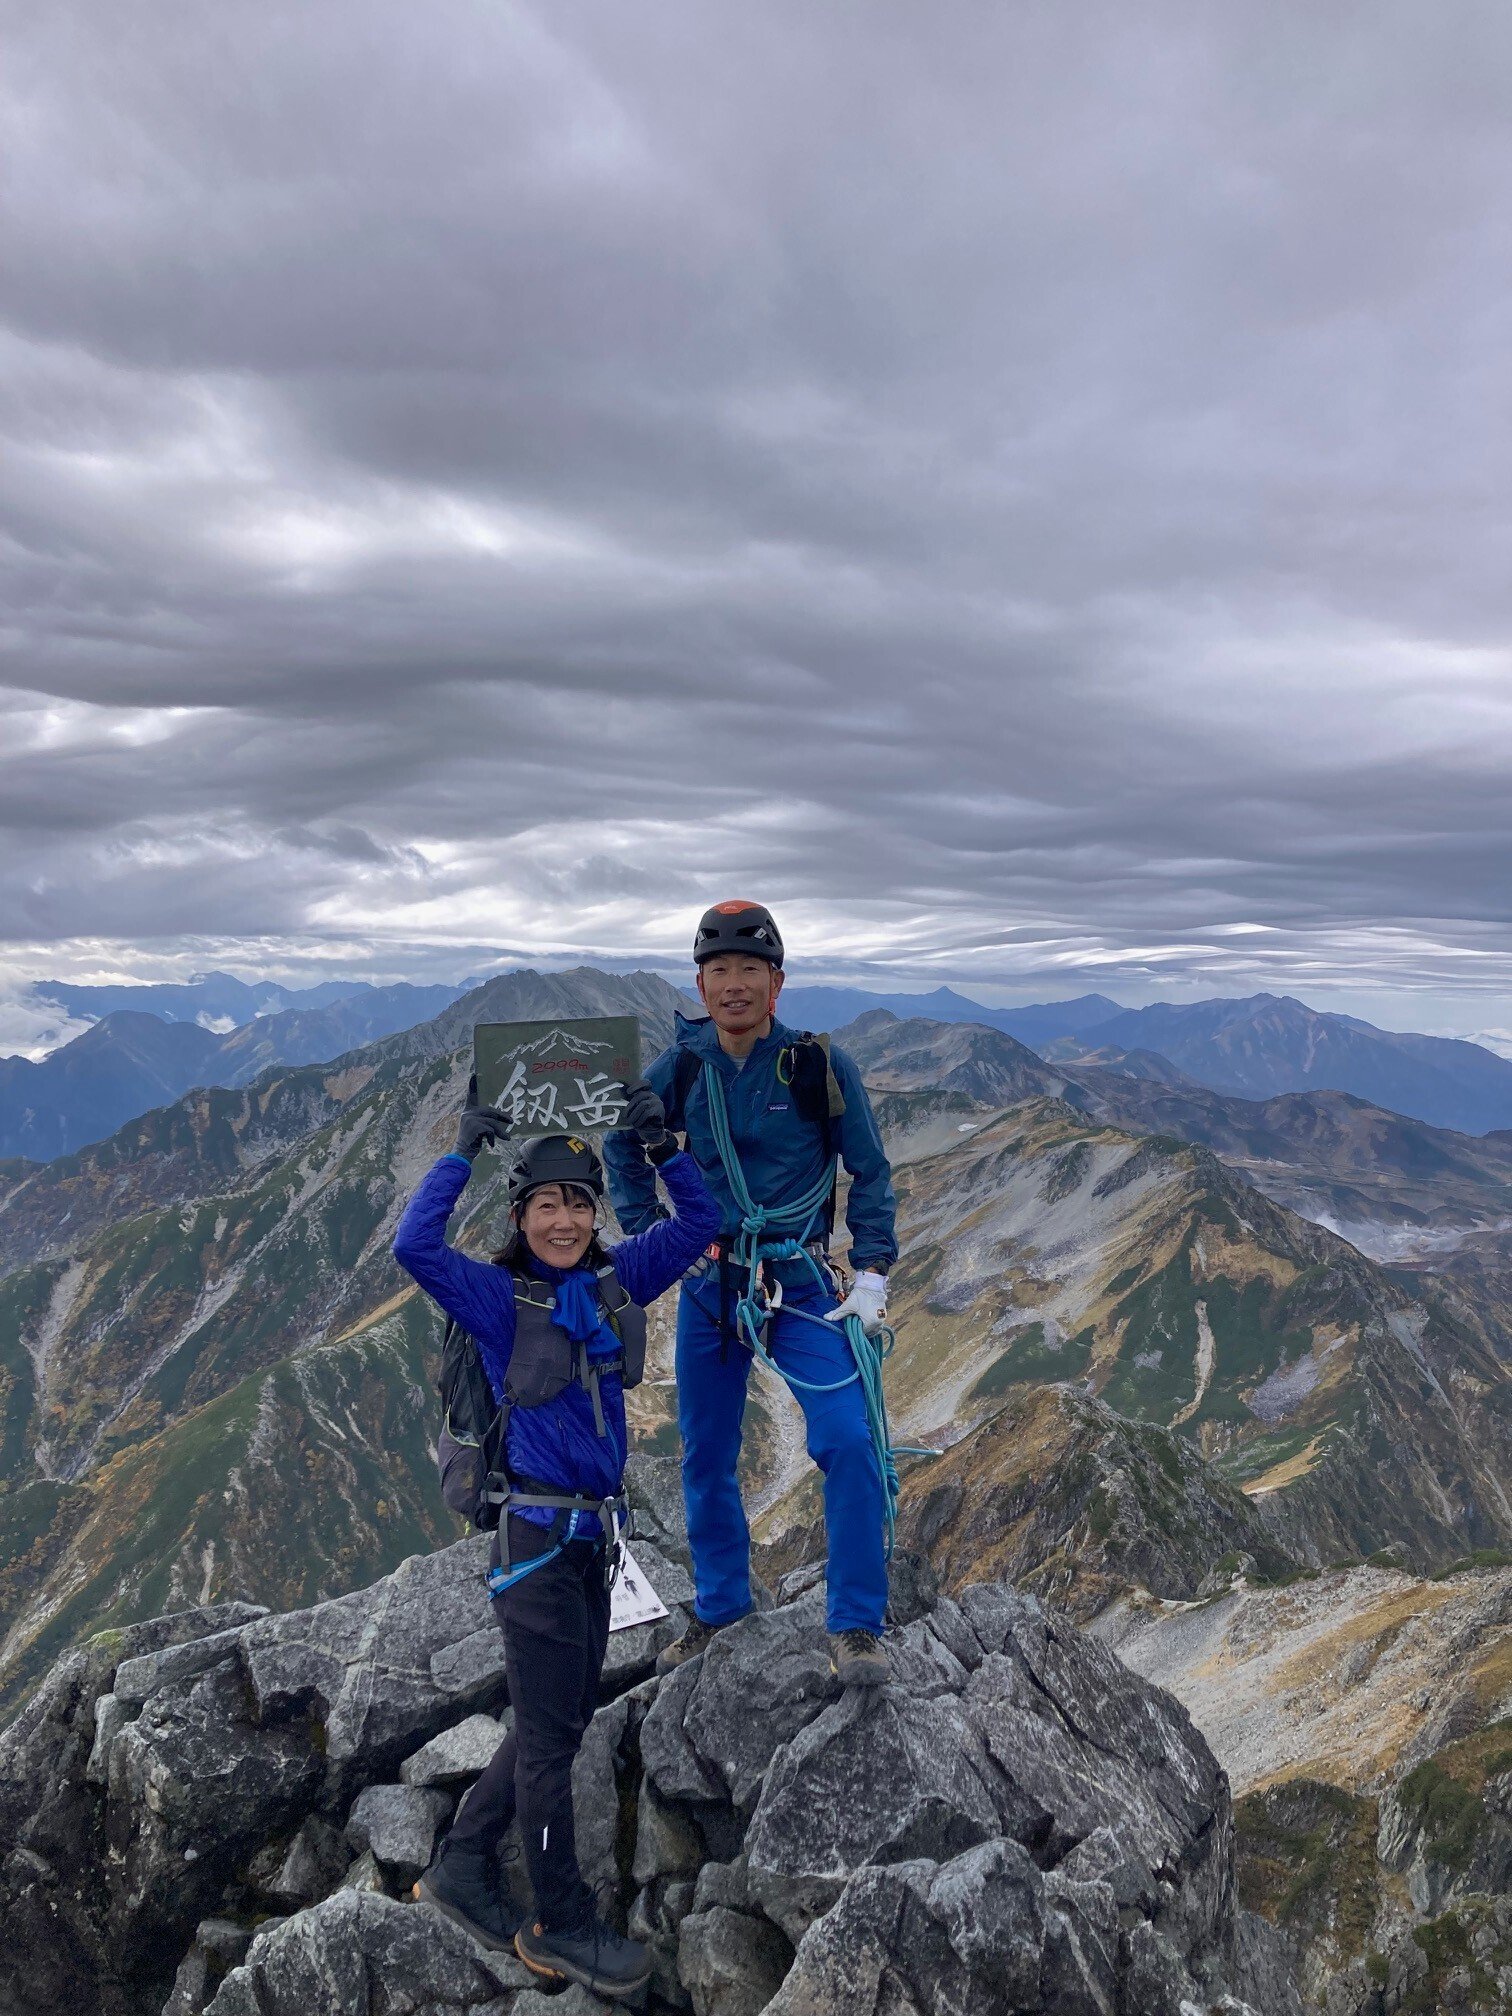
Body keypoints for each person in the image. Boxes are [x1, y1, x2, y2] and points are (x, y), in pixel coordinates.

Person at [393, 1075, 719, 2002]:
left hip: (588, 1547)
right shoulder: (498, 1303)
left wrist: (666, 1152)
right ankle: (561, 1924)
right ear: (522, 1216)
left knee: (559, 1722)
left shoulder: (619, 1285)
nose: (565, 1221)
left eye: (578, 1204)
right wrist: (458, 1154)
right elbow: (411, 1246)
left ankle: (461, 1863)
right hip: (534, 1544)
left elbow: (702, 1226)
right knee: (547, 1742)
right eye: (546, 1205)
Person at [603, 900, 898, 1689]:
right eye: (719, 971)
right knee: (705, 1452)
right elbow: (620, 1146)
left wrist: (871, 1271)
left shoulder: (817, 1067)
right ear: (700, 984)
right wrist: (650, 1232)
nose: (733, 986)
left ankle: (858, 1625)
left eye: (749, 970)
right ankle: (723, 1605)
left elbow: (868, 1169)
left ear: (777, 983)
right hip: (711, 1281)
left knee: (847, 1440)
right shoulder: (679, 1069)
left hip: (798, 1278)